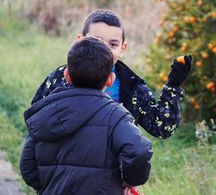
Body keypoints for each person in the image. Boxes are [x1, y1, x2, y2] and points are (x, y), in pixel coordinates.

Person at [20, 36, 153, 194]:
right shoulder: (116, 116)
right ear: (110, 80)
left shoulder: (46, 111)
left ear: (67, 75)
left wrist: (50, 186)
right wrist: (128, 181)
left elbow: (27, 166)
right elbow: (139, 151)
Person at [31, 9, 192, 139]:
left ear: (123, 48)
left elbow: (161, 128)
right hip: (65, 165)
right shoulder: (61, 77)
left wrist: (173, 86)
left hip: (111, 172)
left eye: (113, 44)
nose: (104, 49)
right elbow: (36, 119)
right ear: (80, 41)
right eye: (97, 40)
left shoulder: (131, 85)